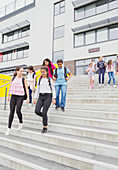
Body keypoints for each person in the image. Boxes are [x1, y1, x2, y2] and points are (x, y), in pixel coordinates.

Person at [5, 67, 29, 136]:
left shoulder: (23, 79)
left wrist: (28, 97)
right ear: (17, 71)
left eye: (22, 71)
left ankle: (21, 122)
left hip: (20, 96)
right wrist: (8, 95)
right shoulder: (12, 78)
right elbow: (10, 87)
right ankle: (9, 128)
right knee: (11, 112)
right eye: (20, 71)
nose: (22, 72)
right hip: (13, 96)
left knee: (18, 110)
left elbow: (26, 88)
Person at [34, 66, 56, 134]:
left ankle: (45, 127)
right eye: (41, 72)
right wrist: (35, 98)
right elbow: (37, 89)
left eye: (43, 72)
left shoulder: (50, 80)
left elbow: (53, 90)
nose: (42, 73)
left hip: (48, 96)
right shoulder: (39, 79)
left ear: (47, 72)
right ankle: (44, 116)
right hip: (41, 96)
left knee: (44, 112)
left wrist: (54, 98)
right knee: (37, 111)